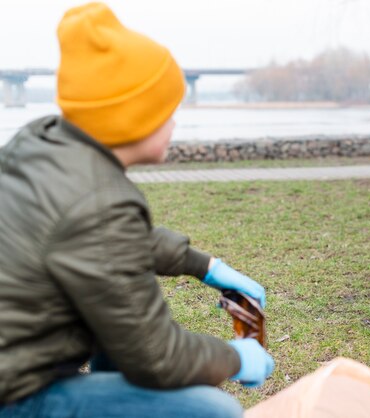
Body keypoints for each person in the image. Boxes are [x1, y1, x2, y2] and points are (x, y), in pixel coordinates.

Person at [0, 3, 273, 417]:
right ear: (134, 118)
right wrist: (237, 357)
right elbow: (158, 357)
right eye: (167, 112)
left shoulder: (40, 144)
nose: (174, 125)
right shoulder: (100, 199)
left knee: (116, 344)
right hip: (16, 394)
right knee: (212, 411)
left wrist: (204, 265)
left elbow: (107, 239)